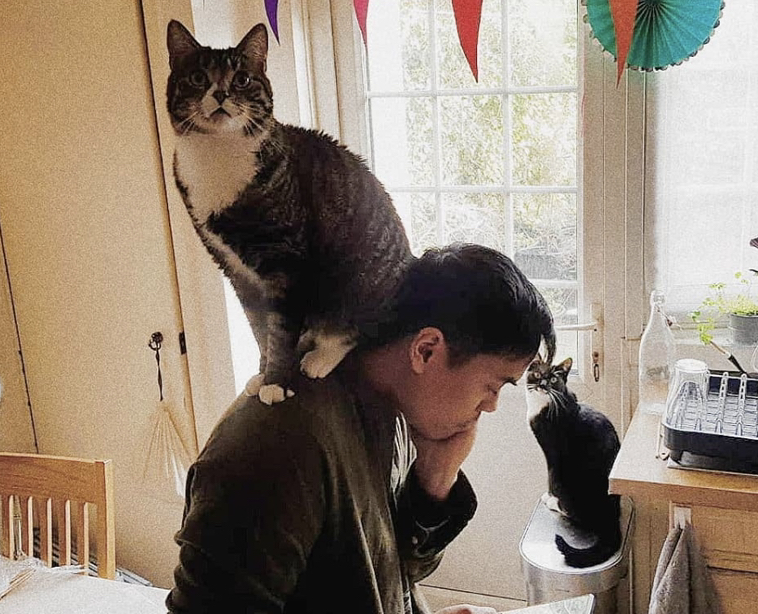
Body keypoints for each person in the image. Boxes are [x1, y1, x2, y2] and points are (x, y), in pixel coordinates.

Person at [166, 243, 555, 614]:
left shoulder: (389, 406)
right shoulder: (276, 444)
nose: (491, 406)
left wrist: (435, 479)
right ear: (426, 350)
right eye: (493, 386)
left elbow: (387, 575)